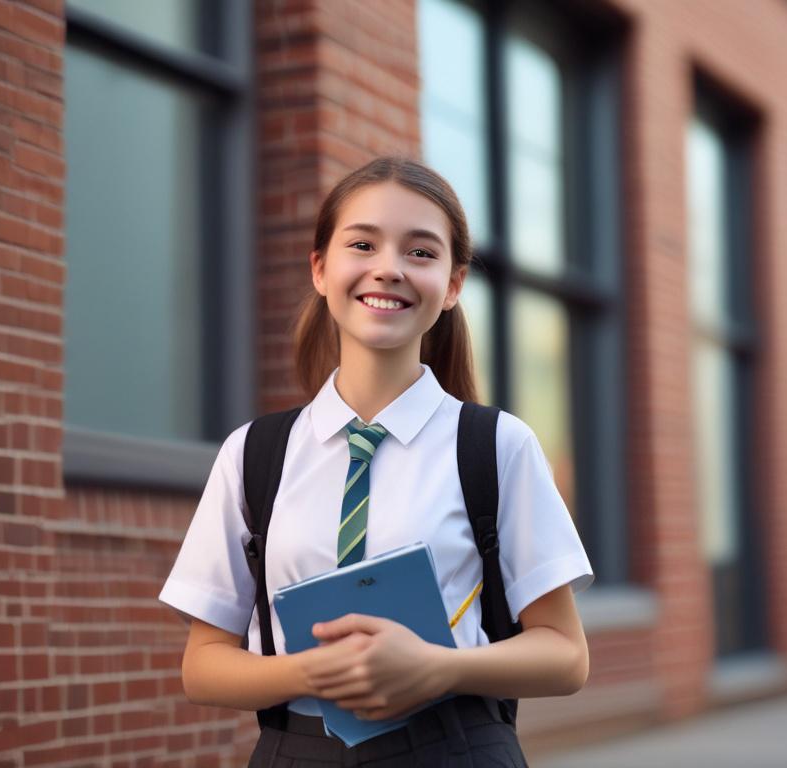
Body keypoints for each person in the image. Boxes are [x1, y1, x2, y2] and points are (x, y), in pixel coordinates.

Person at [158, 155, 595, 767]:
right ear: (320, 268)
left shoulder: (497, 445)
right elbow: (203, 667)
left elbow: (566, 657)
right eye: (362, 244)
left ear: (453, 284)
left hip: (455, 748)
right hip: (296, 753)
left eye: (420, 252)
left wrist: (436, 667)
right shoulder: (254, 453)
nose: (387, 269)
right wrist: (317, 671)